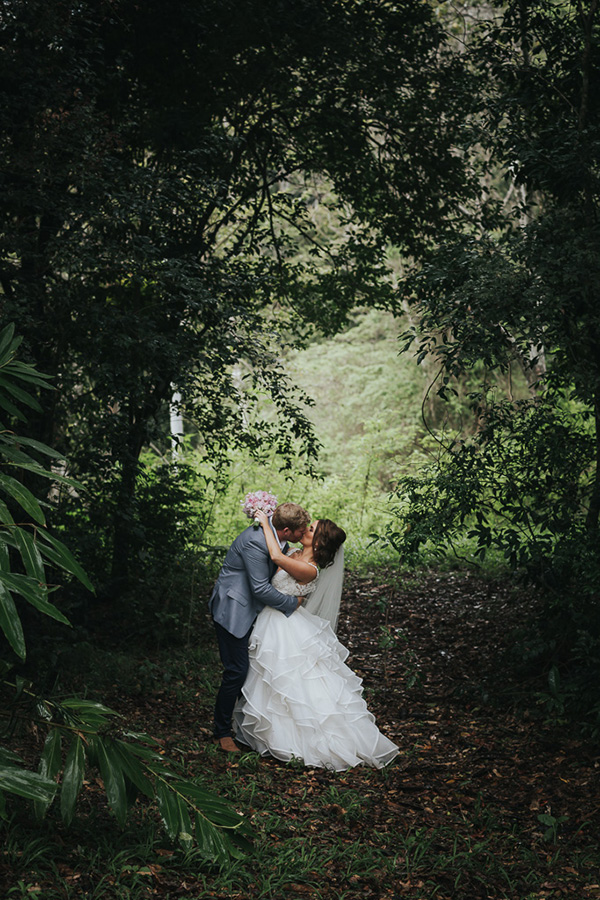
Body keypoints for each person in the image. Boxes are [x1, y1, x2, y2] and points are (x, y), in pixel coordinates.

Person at [233, 510, 399, 771]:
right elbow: (276, 558)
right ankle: (272, 734)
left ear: (319, 543)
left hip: (284, 625)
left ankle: (303, 741)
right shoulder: (295, 554)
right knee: (273, 681)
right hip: (275, 621)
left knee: (290, 681)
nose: (304, 530)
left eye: (310, 530)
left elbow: (275, 556)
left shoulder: (309, 569)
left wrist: (265, 521)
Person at [209, 502, 311, 752]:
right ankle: (221, 733)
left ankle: (246, 725)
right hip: (234, 609)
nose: (303, 535)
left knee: (255, 671)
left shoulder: (275, 536)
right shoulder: (255, 541)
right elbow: (260, 588)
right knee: (236, 671)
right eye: (300, 531)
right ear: (286, 530)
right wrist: (293, 602)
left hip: (256, 611)